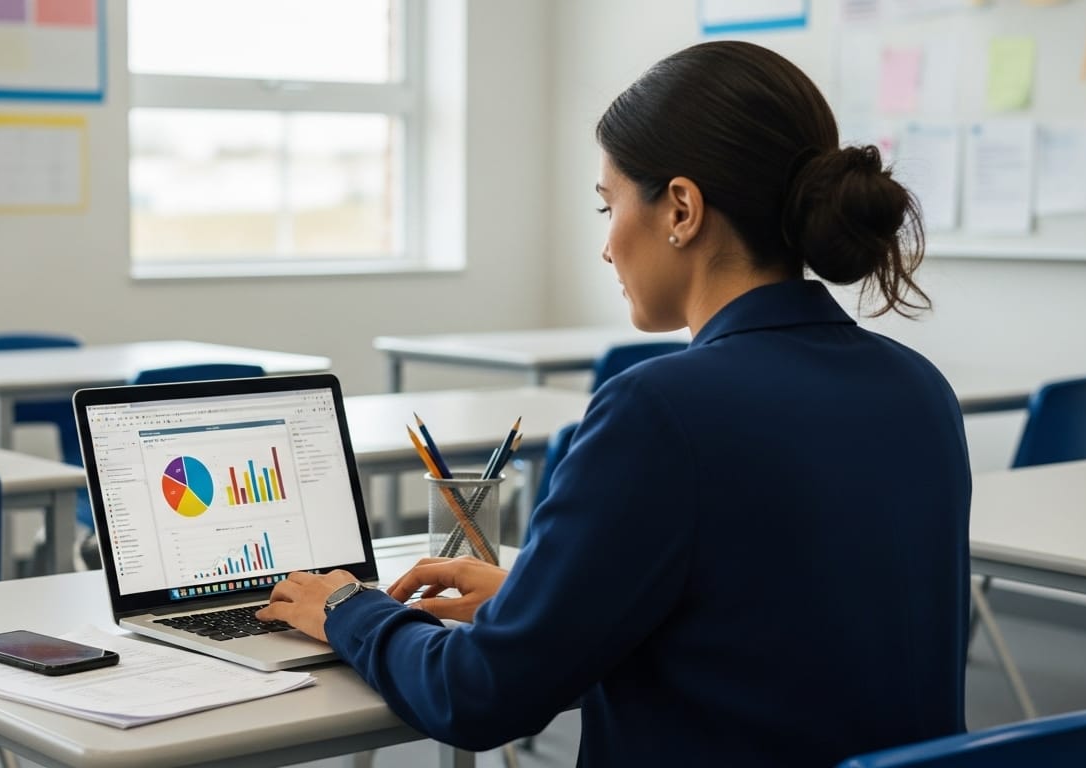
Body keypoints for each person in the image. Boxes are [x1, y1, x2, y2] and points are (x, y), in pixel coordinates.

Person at [257, 40, 970, 767]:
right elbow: (775, 617)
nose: (606, 247)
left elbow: (475, 696)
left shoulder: (659, 410)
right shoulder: (918, 387)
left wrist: (349, 610)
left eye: (609, 205)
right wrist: (540, 601)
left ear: (682, 209)